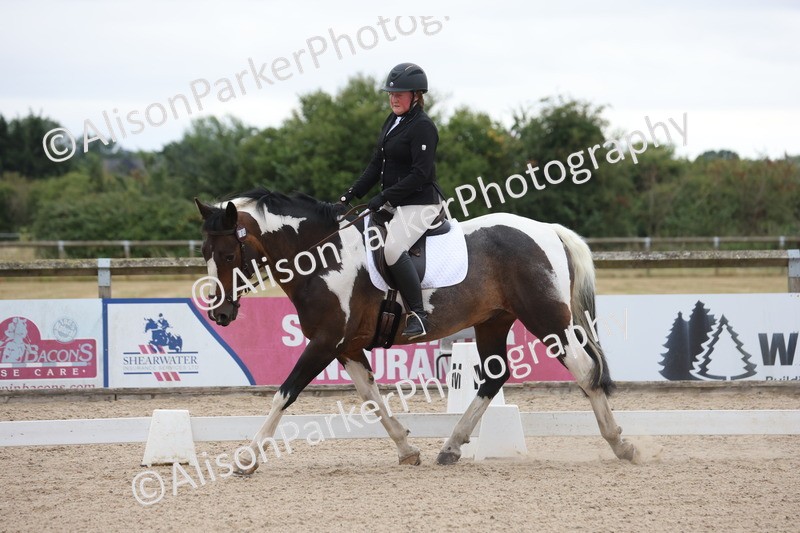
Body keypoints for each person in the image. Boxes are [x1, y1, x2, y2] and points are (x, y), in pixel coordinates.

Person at [340, 62, 441, 340]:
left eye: (401, 94)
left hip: (421, 204)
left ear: (417, 95)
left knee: (393, 249)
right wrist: (348, 196)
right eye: (391, 94)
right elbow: (376, 165)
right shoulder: (392, 121)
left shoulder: (423, 127)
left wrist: (383, 197)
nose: (394, 98)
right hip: (396, 202)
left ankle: (418, 314)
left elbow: (420, 175)